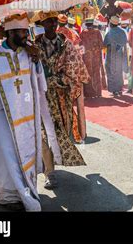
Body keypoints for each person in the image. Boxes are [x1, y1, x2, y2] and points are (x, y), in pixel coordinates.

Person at [0, 11, 59, 211]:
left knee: (26, 152)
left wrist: (37, 61)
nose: (26, 35)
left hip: (27, 116)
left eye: (26, 31)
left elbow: (40, 81)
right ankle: (8, 192)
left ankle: (26, 187)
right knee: (6, 156)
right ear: (10, 32)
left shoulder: (29, 54)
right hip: (3, 118)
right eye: (22, 31)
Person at [35, 11, 88, 189]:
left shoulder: (67, 44)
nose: (53, 24)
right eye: (49, 21)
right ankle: (49, 173)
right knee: (42, 133)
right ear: (41, 23)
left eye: (55, 21)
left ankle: (53, 162)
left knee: (60, 132)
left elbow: (76, 70)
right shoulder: (33, 46)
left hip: (60, 97)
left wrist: (58, 80)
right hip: (40, 98)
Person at [80, 18, 104, 98]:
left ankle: (89, 93)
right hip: (96, 57)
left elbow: (81, 46)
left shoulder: (83, 33)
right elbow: (101, 45)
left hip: (87, 57)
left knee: (88, 73)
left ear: (86, 25)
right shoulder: (97, 32)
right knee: (96, 73)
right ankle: (97, 93)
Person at [104, 16, 128, 97]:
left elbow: (104, 44)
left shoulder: (109, 33)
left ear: (111, 23)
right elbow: (125, 42)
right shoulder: (122, 32)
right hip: (119, 54)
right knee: (119, 71)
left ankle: (114, 90)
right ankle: (119, 89)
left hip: (111, 54)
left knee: (110, 71)